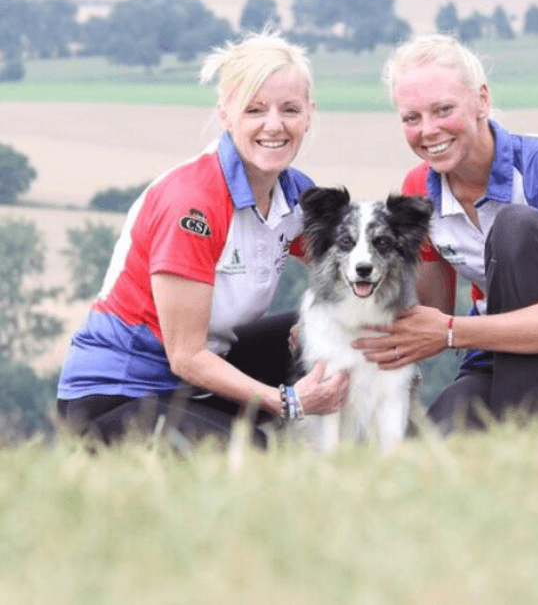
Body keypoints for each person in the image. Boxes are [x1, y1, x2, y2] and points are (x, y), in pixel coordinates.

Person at [57, 31, 349, 447]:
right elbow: (186, 356)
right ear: (226, 114)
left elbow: (346, 271)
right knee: (251, 454)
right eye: (255, 110)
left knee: (320, 338)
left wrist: (326, 321)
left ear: (309, 115)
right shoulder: (193, 204)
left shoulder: (296, 194)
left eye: (290, 109)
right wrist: (287, 401)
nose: (274, 125)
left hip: (194, 384)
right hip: (117, 399)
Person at [354, 34, 538, 434]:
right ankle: (524, 432)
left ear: (482, 101)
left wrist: (453, 334)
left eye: (443, 110)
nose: (428, 131)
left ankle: (525, 440)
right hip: (496, 360)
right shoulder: (419, 189)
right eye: (411, 118)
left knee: (516, 227)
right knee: (427, 456)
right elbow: (428, 308)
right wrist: (338, 319)